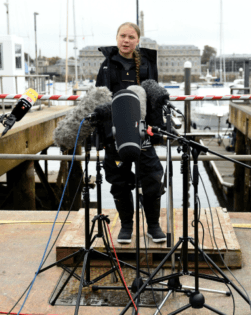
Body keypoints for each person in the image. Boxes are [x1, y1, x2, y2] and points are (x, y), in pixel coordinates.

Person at [95, 22, 166, 244]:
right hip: (115, 133)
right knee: (119, 181)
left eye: (131, 37)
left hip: (142, 131)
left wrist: (156, 131)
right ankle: (126, 226)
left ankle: (153, 226)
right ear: (117, 38)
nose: (126, 40)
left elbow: (154, 98)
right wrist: (103, 136)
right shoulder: (106, 66)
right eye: (123, 36)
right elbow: (100, 100)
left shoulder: (146, 64)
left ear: (137, 40)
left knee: (152, 178)